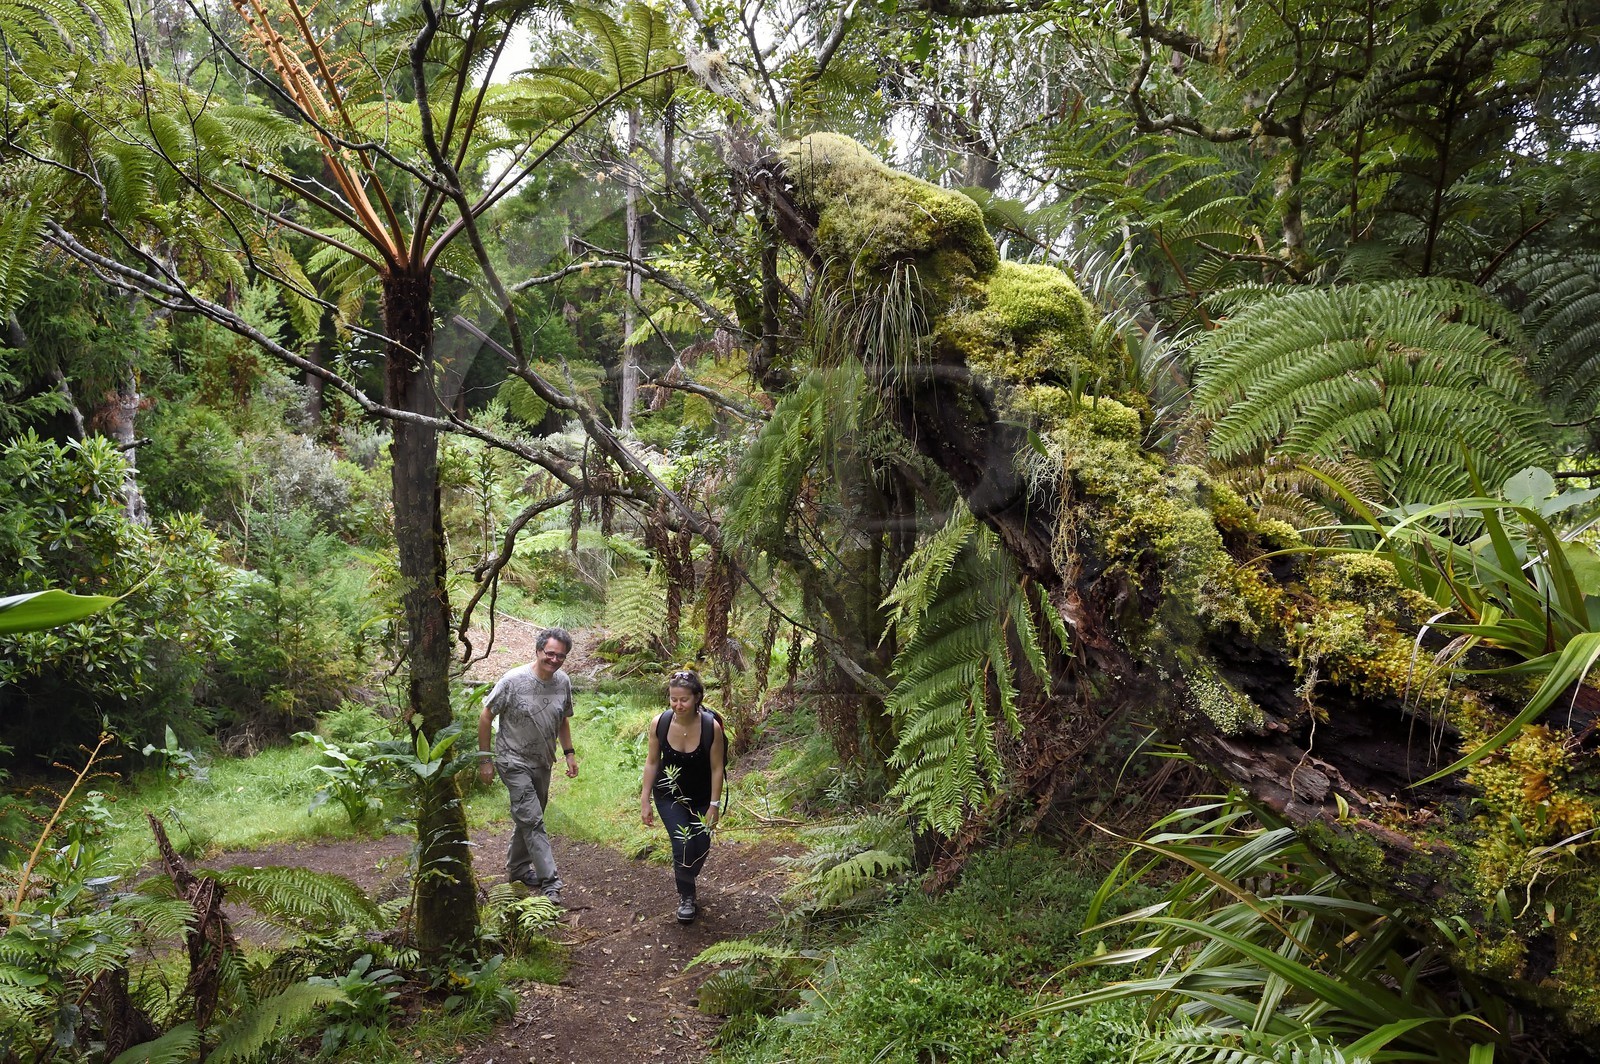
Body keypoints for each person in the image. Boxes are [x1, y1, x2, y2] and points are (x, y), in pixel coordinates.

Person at [478, 628, 579, 904]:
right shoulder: (513, 680)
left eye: (561, 656)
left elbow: (563, 719)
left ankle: (518, 870)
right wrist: (485, 760)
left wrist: (569, 752)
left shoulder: (563, 683)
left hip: (543, 762)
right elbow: (486, 716)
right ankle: (551, 882)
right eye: (550, 654)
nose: (555, 660)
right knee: (533, 820)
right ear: (538, 651)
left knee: (529, 818)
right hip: (512, 761)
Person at [640, 669, 726, 924]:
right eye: (673, 699)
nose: (678, 705)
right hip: (669, 794)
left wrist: (714, 805)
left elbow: (717, 768)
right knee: (682, 844)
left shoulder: (712, 728)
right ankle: (686, 896)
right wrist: (645, 799)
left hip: (701, 797)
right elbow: (652, 762)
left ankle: (687, 874)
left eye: (684, 700)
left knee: (700, 848)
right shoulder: (660, 723)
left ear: (697, 697)